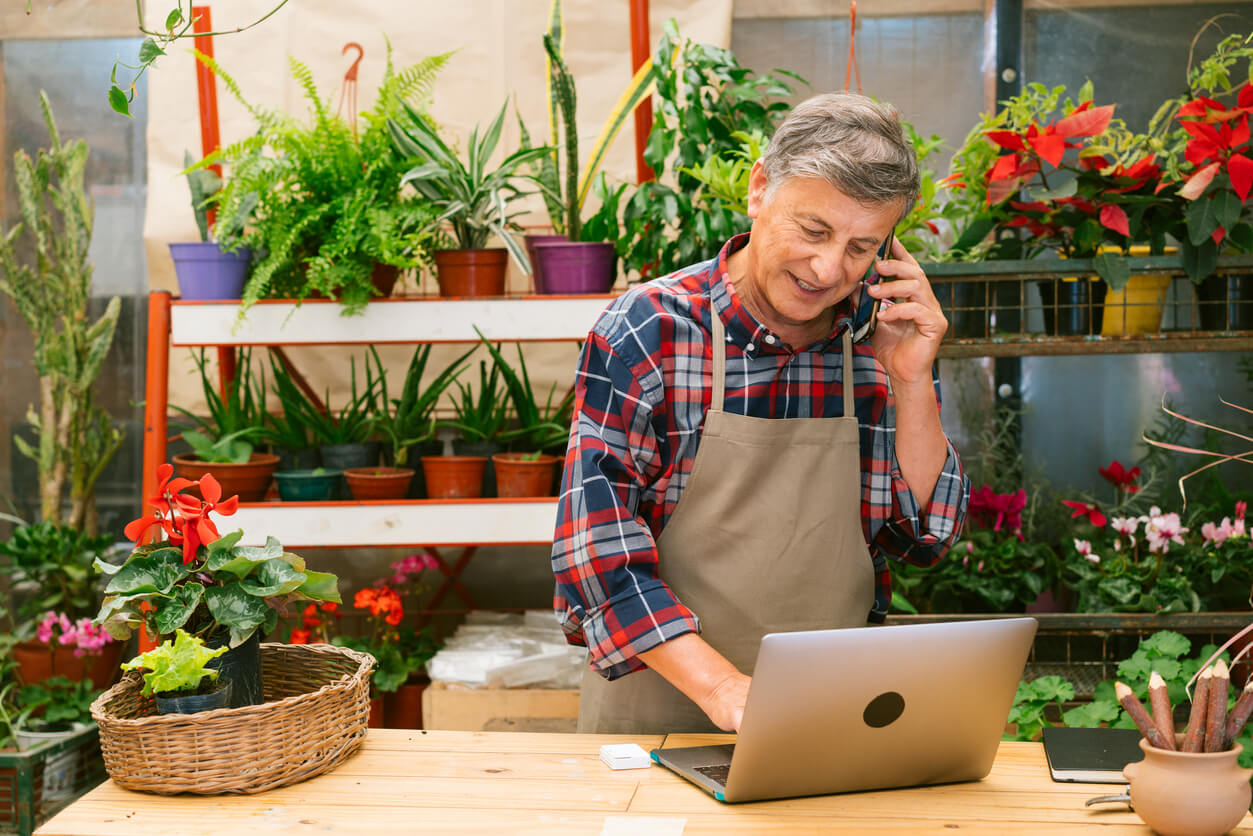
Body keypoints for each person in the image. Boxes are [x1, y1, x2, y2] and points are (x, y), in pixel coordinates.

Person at [551, 92, 970, 735]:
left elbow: (925, 536)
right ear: (759, 189)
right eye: (814, 231)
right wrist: (723, 688)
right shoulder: (649, 330)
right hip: (658, 713)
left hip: (829, 715)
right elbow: (597, 552)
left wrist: (911, 383)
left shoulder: (882, 339)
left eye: (862, 247)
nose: (829, 268)